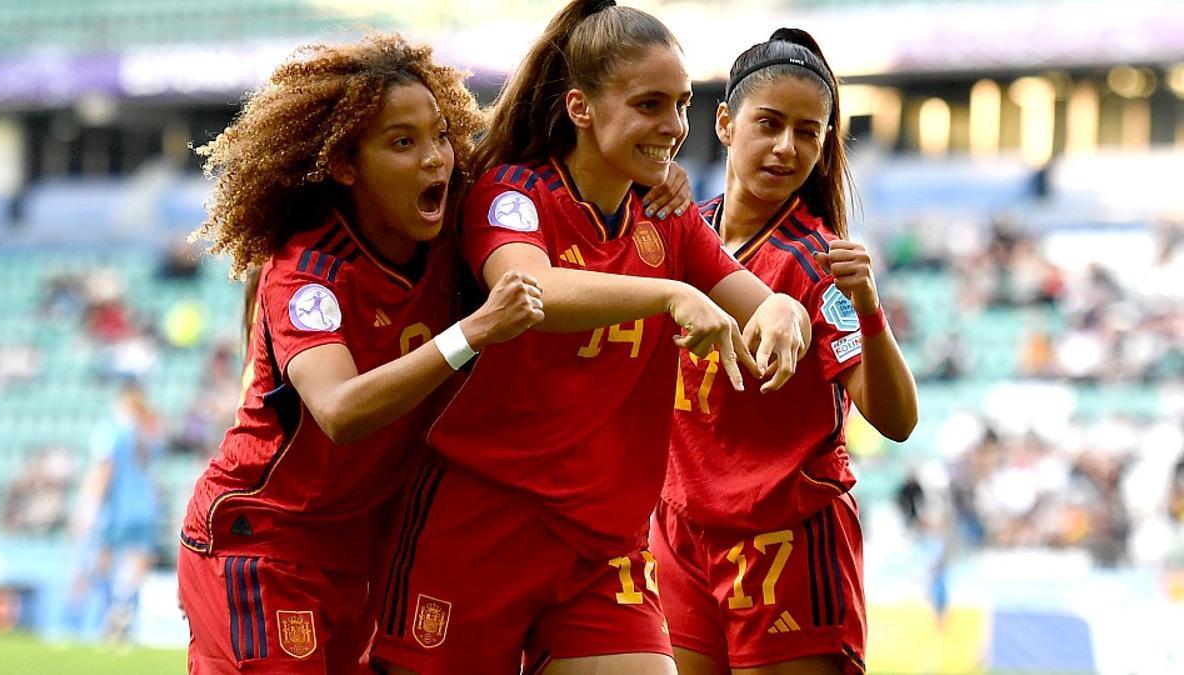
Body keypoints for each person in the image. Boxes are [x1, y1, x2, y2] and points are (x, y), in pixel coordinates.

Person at [369, 3, 812, 674]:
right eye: (649, 104)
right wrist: (671, 294)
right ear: (580, 107)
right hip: (480, 526)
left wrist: (785, 311)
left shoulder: (670, 218)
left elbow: (759, 305)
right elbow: (531, 292)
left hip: (605, 547)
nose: (672, 127)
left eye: (682, 104)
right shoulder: (512, 195)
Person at [177, 34, 545, 674]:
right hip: (261, 545)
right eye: (403, 143)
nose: (436, 159)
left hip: (364, 555)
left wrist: (648, 178)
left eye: (440, 135)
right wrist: (473, 332)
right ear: (346, 164)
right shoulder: (308, 273)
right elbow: (340, 411)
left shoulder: (454, 232)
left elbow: (546, 172)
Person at [652, 28, 919, 675]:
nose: (786, 146)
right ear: (724, 121)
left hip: (786, 547)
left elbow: (899, 421)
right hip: (679, 534)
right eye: (769, 123)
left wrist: (870, 309)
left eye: (809, 131)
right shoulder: (675, 234)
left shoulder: (819, 263)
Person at [67, 381, 164, 644]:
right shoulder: (149, 432)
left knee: (103, 559)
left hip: (118, 506)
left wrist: (87, 507)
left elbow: (102, 471)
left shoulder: (111, 431)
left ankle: (103, 615)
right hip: (146, 507)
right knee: (138, 559)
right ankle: (122, 608)